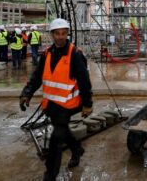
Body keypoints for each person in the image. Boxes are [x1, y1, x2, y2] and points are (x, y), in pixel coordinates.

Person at [20, 18, 93, 181]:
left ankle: (50, 175)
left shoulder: (75, 54)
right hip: (52, 104)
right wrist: (27, 93)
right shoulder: (47, 53)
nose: (60, 37)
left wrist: (88, 104)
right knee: (63, 132)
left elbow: (84, 81)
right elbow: (37, 76)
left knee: (55, 140)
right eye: (57, 34)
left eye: (63, 34)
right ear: (52, 35)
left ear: (67, 34)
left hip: (67, 104)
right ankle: (76, 149)